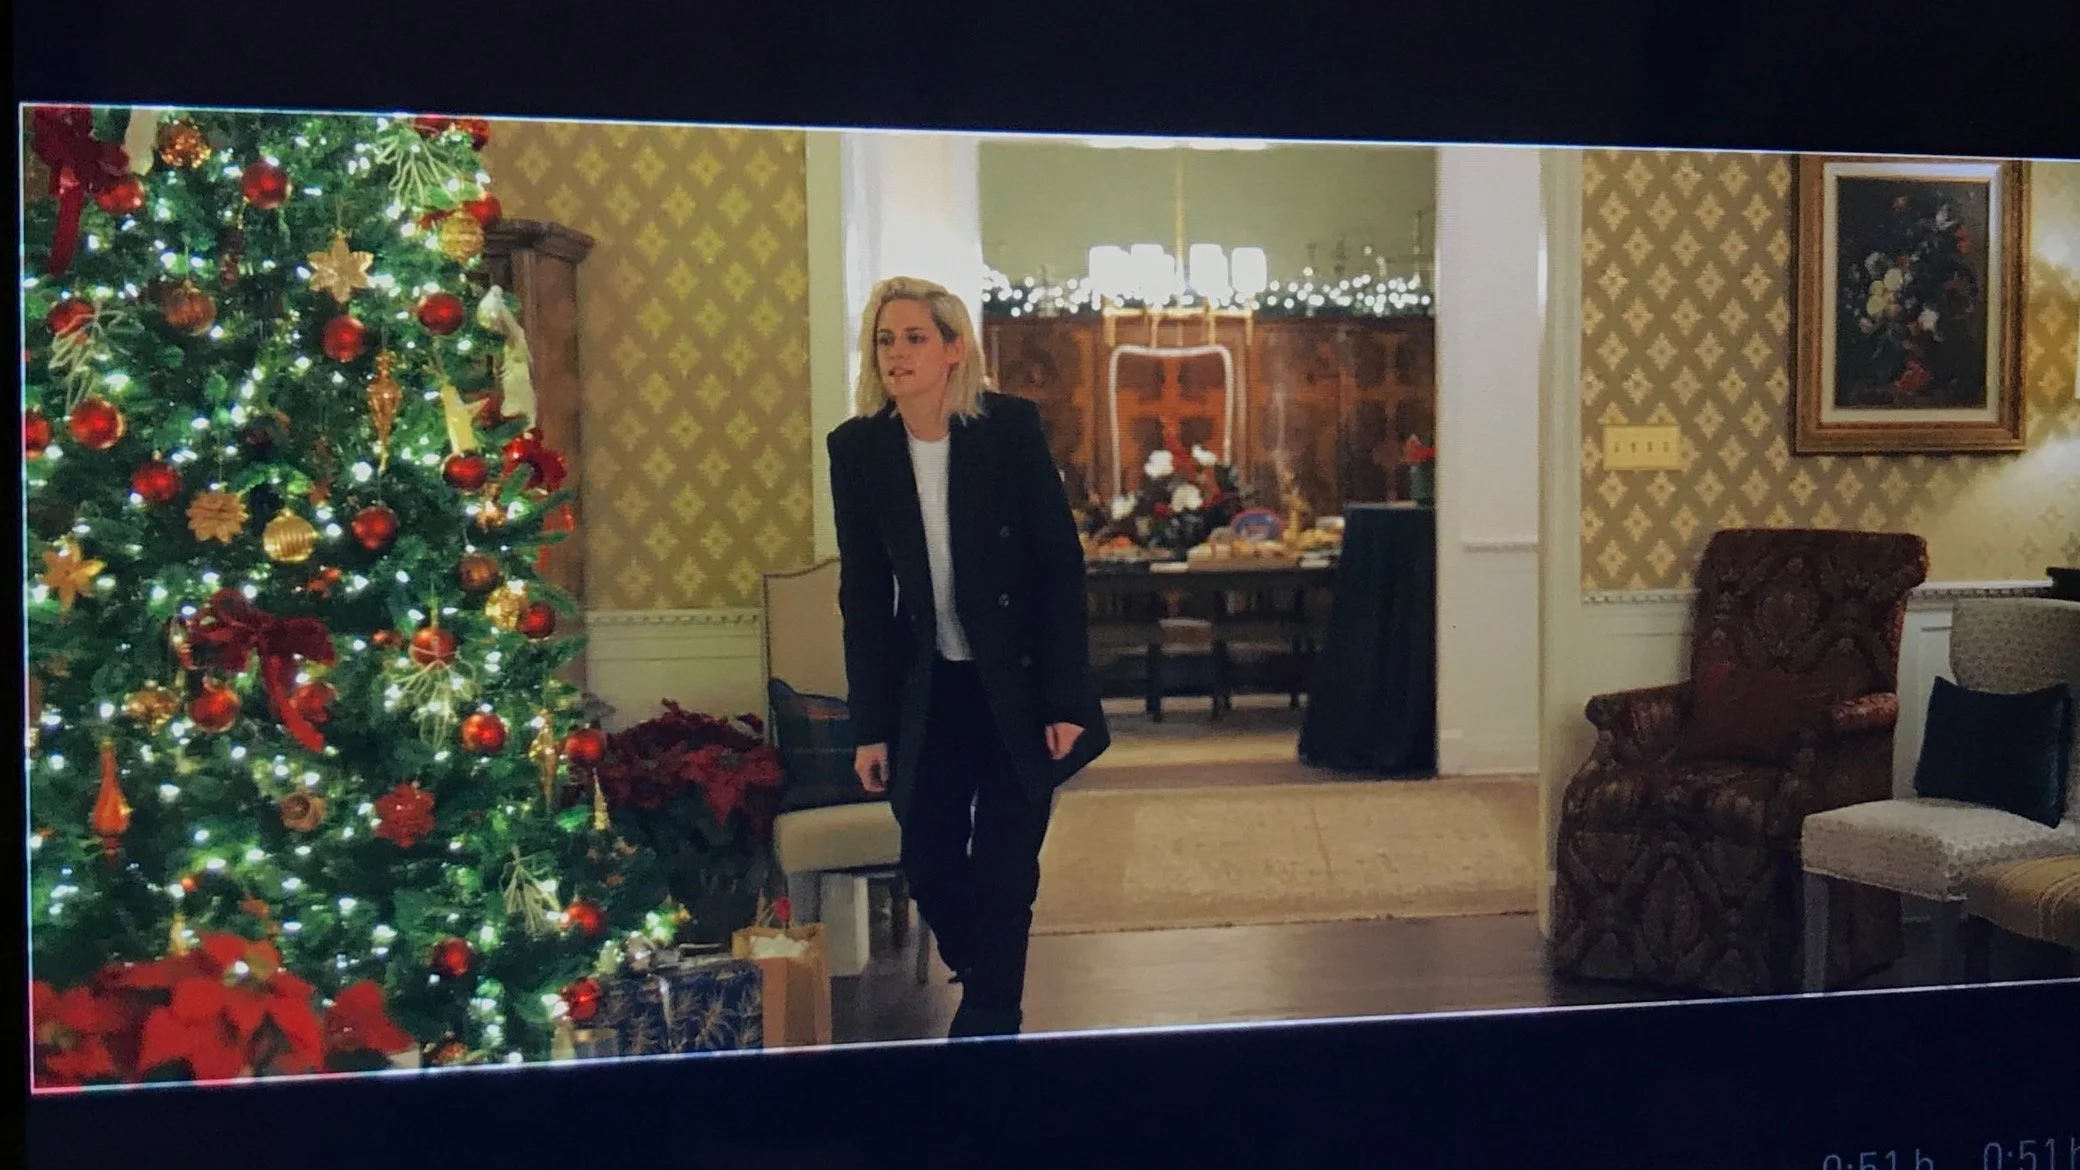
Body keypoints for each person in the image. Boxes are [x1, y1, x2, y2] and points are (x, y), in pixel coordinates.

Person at [827, 275, 1109, 1038]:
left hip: (1017, 685)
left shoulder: (1007, 429)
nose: (897, 354)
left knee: (1007, 870)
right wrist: (870, 726)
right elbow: (865, 597)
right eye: (886, 340)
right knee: (929, 860)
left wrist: (1066, 700)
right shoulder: (858, 450)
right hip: (932, 689)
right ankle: (988, 982)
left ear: (954, 350)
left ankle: (988, 1027)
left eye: (915, 338)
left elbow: (1057, 565)